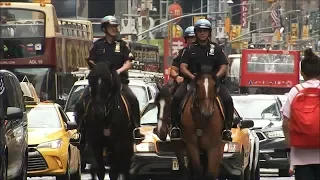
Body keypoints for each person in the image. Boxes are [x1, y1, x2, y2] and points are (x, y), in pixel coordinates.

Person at [82, 15, 145, 140]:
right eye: (111, 26)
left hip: (118, 82)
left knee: (132, 99)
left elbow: (129, 62)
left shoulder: (122, 45)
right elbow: (90, 61)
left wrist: (117, 72)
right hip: (101, 83)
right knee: (82, 99)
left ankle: (136, 129)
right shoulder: (97, 45)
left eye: (115, 26)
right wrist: (100, 71)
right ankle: (80, 130)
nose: (114, 29)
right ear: (104, 28)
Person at [171, 19, 233, 142]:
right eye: (200, 31)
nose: (202, 33)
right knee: (177, 97)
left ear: (209, 33)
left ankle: (227, 128)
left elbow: (224, 66)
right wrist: (194, 78)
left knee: (227, 99)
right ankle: (175, 127)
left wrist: (215, 78)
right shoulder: (189, 49)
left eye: (205, 31)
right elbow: (182, 67)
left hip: (213, 83)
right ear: (196, 33)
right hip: (192, 82)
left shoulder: (216, 48)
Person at [282, 48, 320, 180]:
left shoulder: (295, 91)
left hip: (301, 156)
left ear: (302, 73)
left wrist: (289, 145)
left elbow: (286, 123)